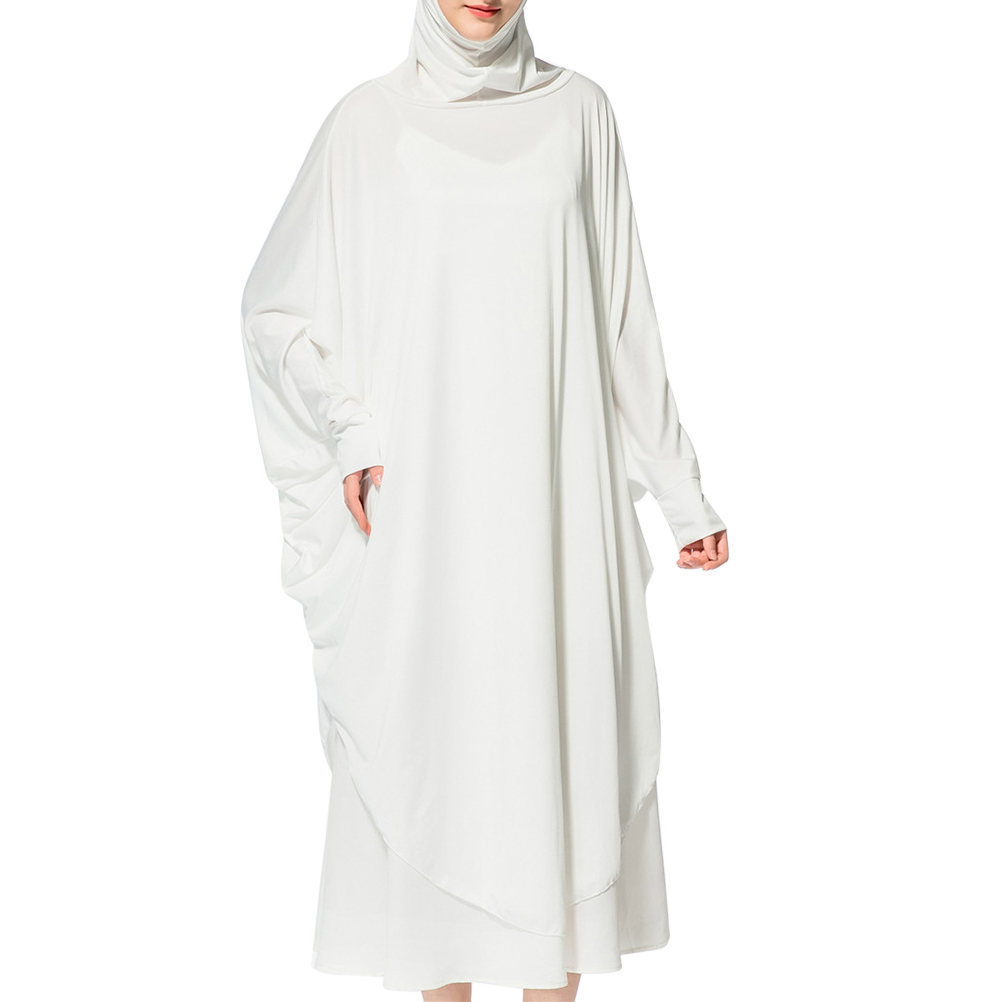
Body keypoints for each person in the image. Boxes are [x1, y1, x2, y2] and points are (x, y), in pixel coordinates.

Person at [239, 0, 729, 998]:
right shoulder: (368, 122)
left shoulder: (581, 113)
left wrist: (682, 490)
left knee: (560, 756)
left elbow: (624, 318)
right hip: (430, 522)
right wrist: (349, 431)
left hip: (558, 512)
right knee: (443, 760)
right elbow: (275, 309)